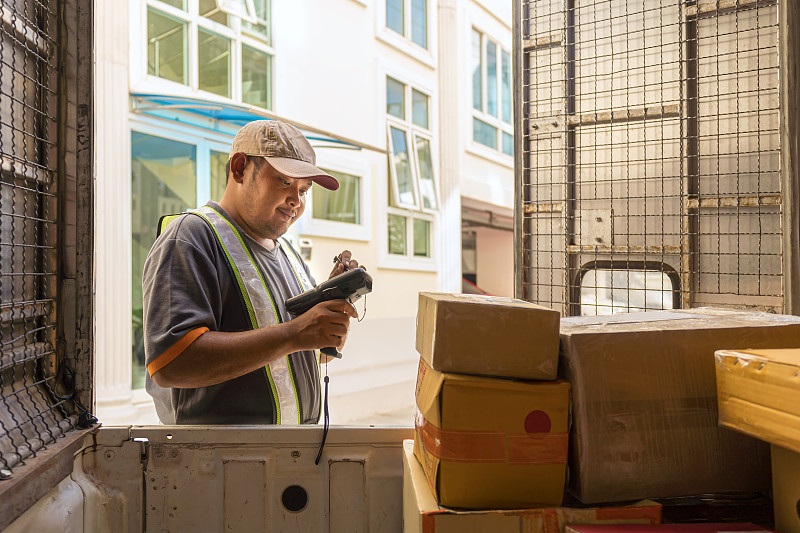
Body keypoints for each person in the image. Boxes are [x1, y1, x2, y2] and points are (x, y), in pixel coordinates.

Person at [142, 120, 361, 425]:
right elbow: (171, 364)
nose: (296, 201)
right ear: (240, 168)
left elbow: (316, 354)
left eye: (303, 190)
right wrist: (296, 333)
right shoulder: (191, 237)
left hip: (290, 458)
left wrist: (328, 323)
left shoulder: (287, 254)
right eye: (284, 182)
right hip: (225, 464)